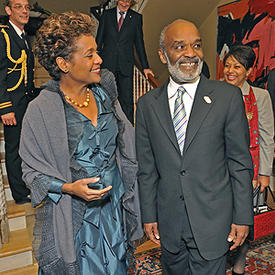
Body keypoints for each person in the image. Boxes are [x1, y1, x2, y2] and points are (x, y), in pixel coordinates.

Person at [19, 11, 142, 274]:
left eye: (96, 52)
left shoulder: (105, 92)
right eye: (89, 55)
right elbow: (31, 173)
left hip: (114, 210)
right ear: (64, 64)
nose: (99, 59)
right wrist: (67, 187)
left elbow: (129, 146)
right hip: (76, 219)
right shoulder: (41, 110)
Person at [135, 19, 254, 275]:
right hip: (169, 224)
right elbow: (146, 168)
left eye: (197, 45)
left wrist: (242, 217)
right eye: (180, 47)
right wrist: (148, 215)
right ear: (162, 54)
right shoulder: (147, 105)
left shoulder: (227, 97)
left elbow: (240, 163)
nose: (191, 53)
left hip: (214, 222)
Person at [223, 45, 274, 275]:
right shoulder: (214, 93)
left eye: (237, 66)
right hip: (219, 169)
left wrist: (264, 173)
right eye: (227, 65)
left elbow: (266, 135)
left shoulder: (260, 97)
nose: (230, 71)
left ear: (249, 71)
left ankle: (239, 264)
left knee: (244, 218)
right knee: (222, 218)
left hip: (249, 171)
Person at [0, 0, 37, 204]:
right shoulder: (3, 35)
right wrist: (5, 107)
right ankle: (19, 194)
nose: (24, 11)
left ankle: (26, 185)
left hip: (25, 101)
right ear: (8, 11)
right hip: (12, 105)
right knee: (13, 150)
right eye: (18, 7)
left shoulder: (22, 36)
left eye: (26, 7)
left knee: (25, 147)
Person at [96, 0, 154, 125]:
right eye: (123, 0)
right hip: (107, 64)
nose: (125, 3)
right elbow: (99, 40)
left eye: (128, 1)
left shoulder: (136, 18)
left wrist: (145, 67)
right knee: (106, 98)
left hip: (126, 65)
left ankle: (128, 130)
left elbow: (139, 44)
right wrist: (95, 61)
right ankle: (107, 127)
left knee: (127, 101)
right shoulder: (107, 15)